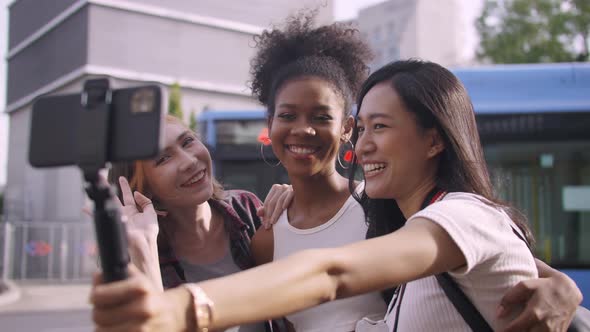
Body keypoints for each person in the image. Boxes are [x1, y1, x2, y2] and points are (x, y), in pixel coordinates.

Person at [90, 34, 583, 332]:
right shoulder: (266, 222)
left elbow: (330, 275)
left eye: (377, 127)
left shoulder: (408, 214)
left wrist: (562, 286)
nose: (365, 145)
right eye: (287, 115)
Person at [106, 114, 292, 331]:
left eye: (188, 142)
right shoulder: (131, 258)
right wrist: (142, 249)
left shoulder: (247, 208)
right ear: (142, 189)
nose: (189, 161)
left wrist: (301, 204)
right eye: (163, 159)